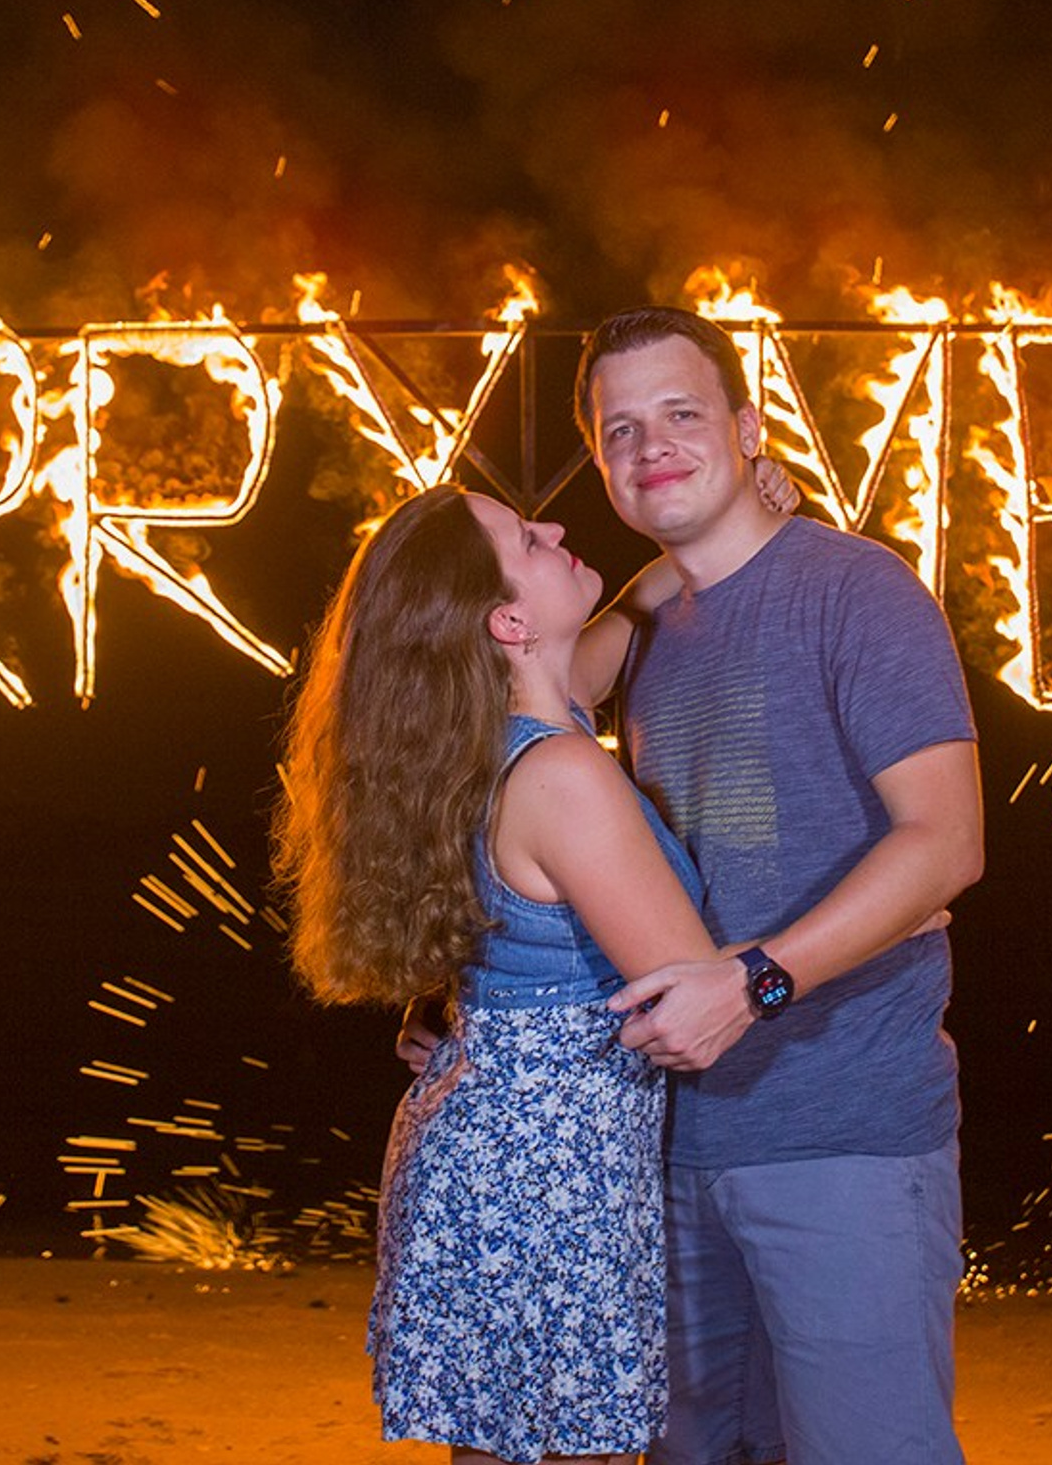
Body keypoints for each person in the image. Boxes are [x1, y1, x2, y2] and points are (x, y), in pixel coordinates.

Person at [576, 305, 986, 1465]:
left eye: (681, 414)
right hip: (676, 1142)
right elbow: (529, 698)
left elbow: (947, 842)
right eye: (620, 431)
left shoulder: (859, 590)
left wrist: (752, 983)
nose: (650, 445)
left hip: (844, 1131)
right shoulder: (649, 628)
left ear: (752, 429)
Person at [272, 483, 726, 1465]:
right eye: (528, 537)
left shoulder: (495, 740)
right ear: (508, 620)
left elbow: (618, 631)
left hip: (486, 1158)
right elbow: (694, 989)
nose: (557, 528)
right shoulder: (562, 777)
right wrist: (879, 917)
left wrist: (721, 524)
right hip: (547, 1187)